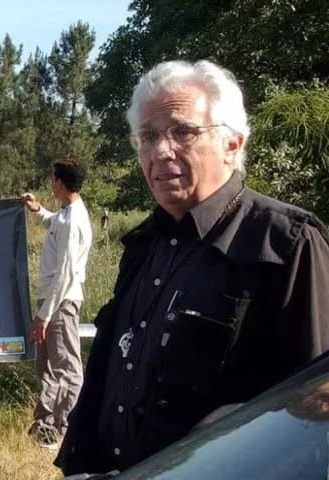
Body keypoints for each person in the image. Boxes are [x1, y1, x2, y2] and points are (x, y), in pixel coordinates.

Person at [55, 60, 329, 476]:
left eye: (182, 132)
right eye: (147, 137)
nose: (161, 151)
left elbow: (313, 416)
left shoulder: (286, 243)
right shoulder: (146, 244)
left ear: (233, 143)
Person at [22, 159, 93, 450]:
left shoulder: (75, 220)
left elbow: (65, 274)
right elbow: (54, 224)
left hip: (60, 303)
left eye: (53, 178)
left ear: (60, 183)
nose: (51, 183)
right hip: (52, 302)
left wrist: (45, 315)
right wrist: (38, 210)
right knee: (47, 367)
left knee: (67, 369)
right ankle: (44, 426)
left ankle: (59, 431)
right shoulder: (65, 214)